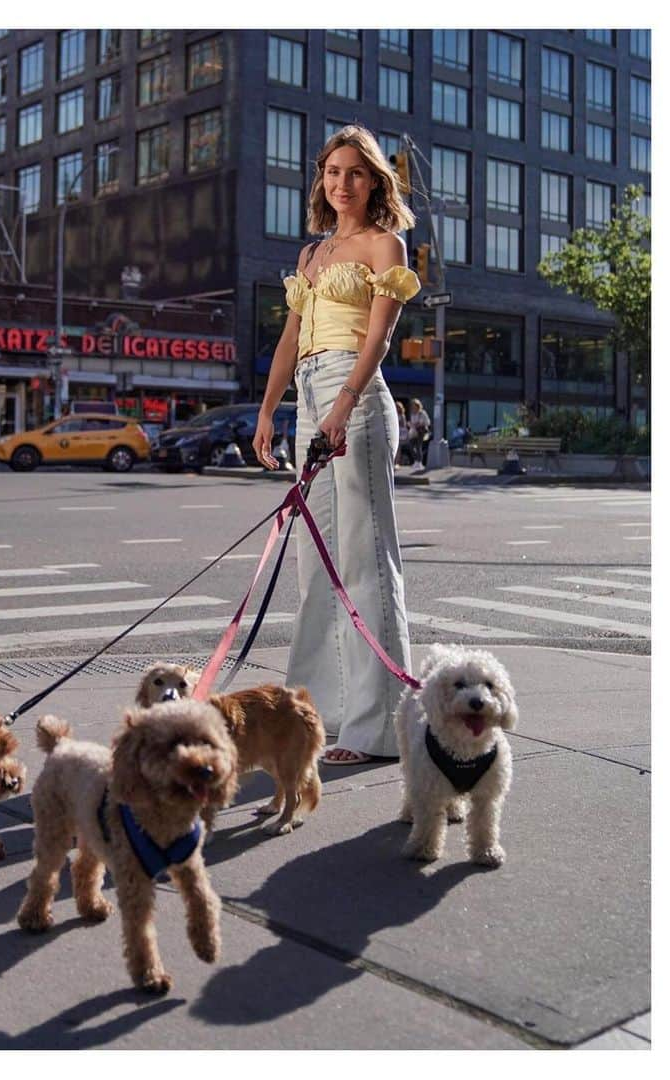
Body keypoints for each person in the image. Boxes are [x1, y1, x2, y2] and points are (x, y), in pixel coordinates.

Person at [253, 124, 420, 765]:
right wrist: (269, 411)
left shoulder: (388, 246)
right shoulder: (310, 257)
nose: (340, 183)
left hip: (357, 395)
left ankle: (376, 728)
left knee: (365, 556)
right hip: (307, 397)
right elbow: (290, 340)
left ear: (374, 180)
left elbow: (378, 338)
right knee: (313, 563)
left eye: (354, 172)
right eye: (331, 172)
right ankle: (315, 719)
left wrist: (344, 405)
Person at [408, 398, 431, 471]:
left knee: (418, 447)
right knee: (411, 447)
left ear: (418, 405)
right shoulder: (412, 413)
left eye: (415, 405)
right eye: (412, 405)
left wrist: (420, 423)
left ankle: (419, 463)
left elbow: (428, 422)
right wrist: (411, 424)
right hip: (414, 432)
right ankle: (416, 461)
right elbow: (412, 422)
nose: (413, 407)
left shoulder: (422, 413)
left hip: (421, 432)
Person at [395, 400, 410, 466]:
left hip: (400, 433)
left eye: (397, 407)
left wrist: (397, 423)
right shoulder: (393, 414)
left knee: (398, 448)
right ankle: (395, 462)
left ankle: (397, 462)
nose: (396, 408)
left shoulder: (402, 415)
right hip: (395, 433)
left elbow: (403, 425)